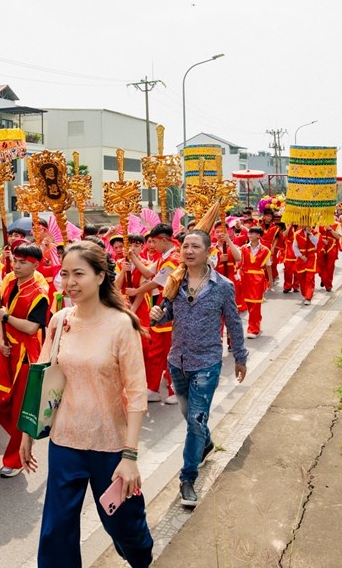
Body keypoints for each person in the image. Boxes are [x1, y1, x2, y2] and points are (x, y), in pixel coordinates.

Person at [20, 241, 153, 567]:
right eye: (65, 274)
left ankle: (142, 558)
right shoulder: (60, 320)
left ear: (100, 276)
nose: (70, 282)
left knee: (124, 526)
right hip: (66, 440)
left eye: (79, 274)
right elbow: (42, 376)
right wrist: (27, 432)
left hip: (111, 445)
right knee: (56, 531)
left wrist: (130, 456)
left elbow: (137, 394)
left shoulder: (122, 325)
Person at [151, 230, 247, 507]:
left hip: (207, 363)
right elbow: (165, 314)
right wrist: (157, 316)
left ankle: (187, 479)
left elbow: (234, 322)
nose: (188, 251)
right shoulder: (175, 282)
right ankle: (205, 443)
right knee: (190, 416)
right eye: (185, 246)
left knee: (194, 420)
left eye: (195, 246)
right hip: (177, 362)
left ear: (208, 252)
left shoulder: (223, 286)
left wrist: (240, 357)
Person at [0, 243, 49, 478]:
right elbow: (0, 316)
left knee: (18, 409)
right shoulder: (9, 282)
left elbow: (32, 327)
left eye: (23, 262)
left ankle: (14, 460)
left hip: (26, 355)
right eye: (15, 260)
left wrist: (7, 317)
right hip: (6, 350)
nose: (17, 265)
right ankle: (24, 435)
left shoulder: (39, 293)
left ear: (35, 265)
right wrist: (0, 338)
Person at [139, 223, 179, 401]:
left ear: (163, 240)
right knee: (156, 350)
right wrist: (132, 256)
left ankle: (175, 390)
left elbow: (156, 282)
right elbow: (148, 272)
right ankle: (153, 388)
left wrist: (136, 291)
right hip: (159, 309)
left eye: (154, 241)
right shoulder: (163, 257)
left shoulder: (174, 259)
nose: (152, 245)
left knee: (172, 351)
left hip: (172, 310)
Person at [239, 226, 272, 338]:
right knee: (248, 304)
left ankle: (253, 329)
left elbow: (268, 266)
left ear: (258, 235)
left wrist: (270, 280)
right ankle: (257, 320)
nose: (250, 235)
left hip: (258, 279)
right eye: (249, 233)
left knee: (255, 304)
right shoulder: (243, 248)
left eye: (253, 233)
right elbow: (239, 262)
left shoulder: (265, 250)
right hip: (245, 278)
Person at [293, 226, 320, 305]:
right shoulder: (297, 234)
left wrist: (310, 234)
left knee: (309, 278)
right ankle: (305, 294)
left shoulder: (315, 233)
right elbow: (295, 247)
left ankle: (308, 297)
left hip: (311, 258)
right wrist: (301, 256)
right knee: (301, 278)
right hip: (301, 258)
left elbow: (316, 243)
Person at [317, 223, 342, 292]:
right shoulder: (319, 223)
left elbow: (338, 236)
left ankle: (328, 285)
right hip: (321, 246)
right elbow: (315, 235)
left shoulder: (337, 224)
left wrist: (330, 229)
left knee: (330, 267)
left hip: (332, 248)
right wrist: (321, 240)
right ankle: (324, 279)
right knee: (320, 265)